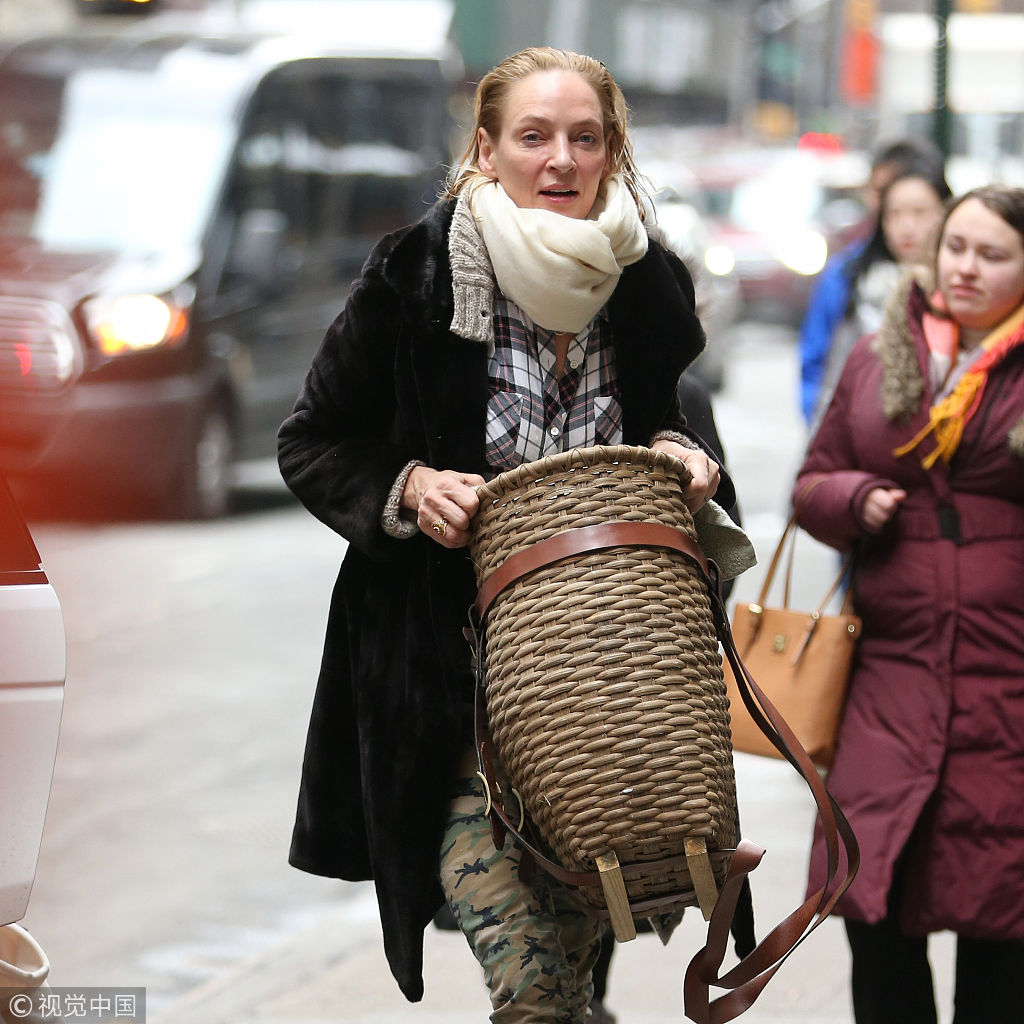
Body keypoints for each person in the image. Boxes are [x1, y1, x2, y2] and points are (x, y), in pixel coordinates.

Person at [278, 46, 751, 1023]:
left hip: (612, 710)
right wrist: (407, 489)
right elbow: (314, 440)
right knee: (533, 990)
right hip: (451, 701)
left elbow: (680, 421)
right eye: (533, 136)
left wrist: (688, 454)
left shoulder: (648, 282)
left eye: (584, 137)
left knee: (576, 981)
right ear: (486, 149)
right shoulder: (413, 276)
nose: (560, 160)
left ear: (612, 151)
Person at [791, 185, 1024, 1024]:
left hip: (1008, 691)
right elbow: (809, 485)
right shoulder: (878, 351)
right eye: (956, 246)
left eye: (992, 254)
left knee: (1005, 931)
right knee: (872, 909)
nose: (965, 267)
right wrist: (853, 499)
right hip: (887, 681)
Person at [799, 136, 947, 424]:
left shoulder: (957, 282)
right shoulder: (848, 275)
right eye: (892, 207)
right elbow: (816, 366)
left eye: (919, 210)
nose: (907, 225)